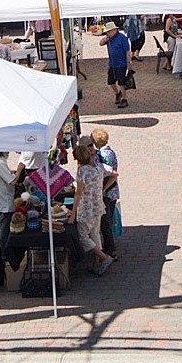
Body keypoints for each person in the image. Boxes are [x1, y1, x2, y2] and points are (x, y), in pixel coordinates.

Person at [69, 141, 112, 274]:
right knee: (95, 234)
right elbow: (113, 173)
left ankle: (104, 258)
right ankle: (97, 263)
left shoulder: (82, 171)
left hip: (86, 208)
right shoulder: (98, 168)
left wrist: (73, 213)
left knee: (83, 237)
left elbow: (78, 193)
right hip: (98, 206)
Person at [93, 128, 120, 258]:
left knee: (105, 222)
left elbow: (109, 174)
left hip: (107, 192)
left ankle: (110, 249)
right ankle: (109, 246)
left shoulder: (102, 155)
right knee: (107, 220)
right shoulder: (111, 152)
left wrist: (102, 190)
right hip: (113, 191)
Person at [103, 20, 133, 108]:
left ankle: (124, 99)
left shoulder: (122, 38)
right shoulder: (108, 39)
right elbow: (100, 43)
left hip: (121, 64)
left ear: (114, 30)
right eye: (107, 32)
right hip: (112, 64)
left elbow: (127, 51)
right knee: (111, 81)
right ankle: (117, 93)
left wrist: (129, 62)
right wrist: (105, 39)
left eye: (109, 31)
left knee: (121, 82)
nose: (108, 33)